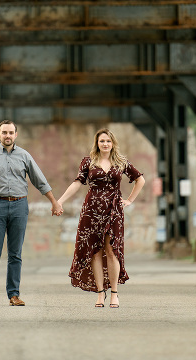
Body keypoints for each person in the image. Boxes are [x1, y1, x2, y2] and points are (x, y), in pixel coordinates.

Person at [0, 120, 63, 307]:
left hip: (19, 206)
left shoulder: (24, 156)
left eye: (11, 132)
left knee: (15, 254)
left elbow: (40, 181)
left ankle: (13, 295)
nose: (8, 135)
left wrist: (54, 202)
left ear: (16, 134)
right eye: (4, 132)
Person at [58, 128, 145, 308]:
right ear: (97, 144)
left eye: (108, 141)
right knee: (95, 252)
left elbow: (140, 179)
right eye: (102, 141)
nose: (105, 144)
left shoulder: (121, 162)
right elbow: (77, 183)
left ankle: (114, 293)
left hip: (114, 211)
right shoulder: (89, 162)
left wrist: (129, 200)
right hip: (91, 211)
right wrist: (60, 201)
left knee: (112, 251)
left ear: (113, 144)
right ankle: (99, 293)